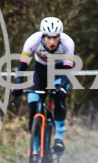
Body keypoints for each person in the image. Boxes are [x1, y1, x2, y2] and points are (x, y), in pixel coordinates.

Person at [11, 16, 75, 153]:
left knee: (60, 97)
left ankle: (58, 137)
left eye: (55, 37)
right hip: (40, 71)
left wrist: (62, 87)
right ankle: (34, 144)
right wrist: (17, 84)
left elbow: (67, 70)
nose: (52, 42)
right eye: (48, 37)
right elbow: (22, 67)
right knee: (33, 104)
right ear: (42, 36)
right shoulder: (32, 42)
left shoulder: (68, 43)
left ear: (60, 36)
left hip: (59, 72)